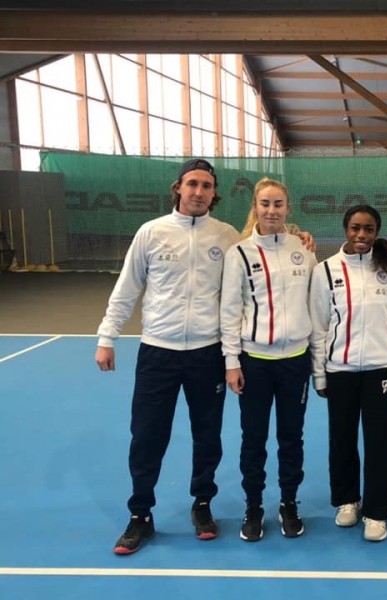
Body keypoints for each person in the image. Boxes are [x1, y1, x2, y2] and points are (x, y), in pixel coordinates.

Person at [96, 158, 240, 555]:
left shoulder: (226, 236)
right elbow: (127, 288)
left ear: (214, 193)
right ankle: (140, 514)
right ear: (178, 188)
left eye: (207, 186)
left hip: (207, 354)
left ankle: (203, 504)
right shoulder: (151, 232)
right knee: (147, 435)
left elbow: (252, 268)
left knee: (207, 435)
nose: (199, 192)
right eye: (192, 184)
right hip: (158, 352)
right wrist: (107, 335)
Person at [220, 178, 316, 541]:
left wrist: (315, 362)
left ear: (288, 208)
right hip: (254, 362)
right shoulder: (239, 254)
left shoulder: (303, 250)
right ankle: (254, 508)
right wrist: (232, 362)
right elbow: (229, 311)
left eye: (278, 204)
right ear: (256, 208)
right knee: (253, 439)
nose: (272, 210)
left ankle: (289, 504)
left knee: (292, 438)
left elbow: (313, 305)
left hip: (295, 361)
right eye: (265, 204)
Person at [309, 204, 387, 542]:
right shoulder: (325, 270)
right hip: (340, 369)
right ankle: (347, 500)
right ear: (345, 229)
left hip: (380, 369)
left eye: (368, 229)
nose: (361, 235)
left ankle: (377, 512)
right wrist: (320, 375)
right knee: (342, 439)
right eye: (355, 228)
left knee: (380, 443)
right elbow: (318, 325)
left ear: (376, 232)